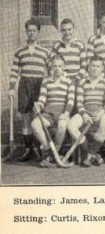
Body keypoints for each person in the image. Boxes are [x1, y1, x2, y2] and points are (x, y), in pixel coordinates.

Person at [8, 18, 49, 162]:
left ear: (38, 32)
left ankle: (39, 149)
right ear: (26, 32)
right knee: (26, 120)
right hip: (24, 85)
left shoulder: (44, 51)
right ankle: (28, 150)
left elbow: (49, 73)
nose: (31, 33)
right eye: (29, 31)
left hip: (38, 85)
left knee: (37, 118)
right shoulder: (20, 51)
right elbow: (14, 71)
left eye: (34, 31)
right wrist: (11, 88)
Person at [67, 56, 105, 167]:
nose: (95, 68)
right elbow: (79, 103)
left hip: (100, 112)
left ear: (102, 68)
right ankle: (93, 153)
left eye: (98, 66)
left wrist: (102, 112)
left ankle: (89, 154)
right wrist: (85, 115)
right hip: (85, 113)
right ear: (89, 67)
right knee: (71, 125)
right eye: (93, 66)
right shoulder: (82, 82)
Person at [31, 55, 75, 167]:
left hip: (63, 112)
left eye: (60, 66)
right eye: (54, 66)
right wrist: (38, 107)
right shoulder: (46, 81)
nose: (57, 68)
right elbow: (42, 99)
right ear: (51, 66)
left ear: (63, 67)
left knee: (62, 125)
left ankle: (56, 152)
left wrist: (65, 114)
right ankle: (49, 152)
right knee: (35, 124)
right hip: (48, 113)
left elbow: (71, 101)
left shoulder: (69, 82)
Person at [51, 18, 86, 83]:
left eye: (69, 29)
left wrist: (77, 78)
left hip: (77, 80)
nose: (67, 32)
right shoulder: (57, 45)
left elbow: (84, 65)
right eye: (64, 30)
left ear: (73, 29)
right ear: (61, 31)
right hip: (61, 81)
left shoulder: (80, 44)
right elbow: (52, 64)